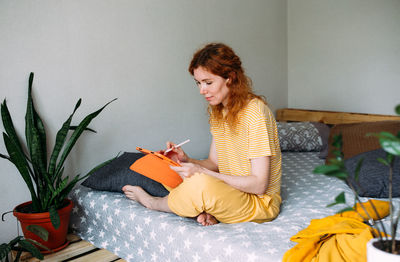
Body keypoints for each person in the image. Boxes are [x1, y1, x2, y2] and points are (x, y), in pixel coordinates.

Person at [123, 43, 282, 226]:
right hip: (231, 192)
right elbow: (214, 163)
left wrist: (202, 172)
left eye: (208, 83)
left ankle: (153, 202)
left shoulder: (255, 113)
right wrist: (187, 160)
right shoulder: (219, 111)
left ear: (230, 78)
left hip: (259, 203)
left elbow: (259, 185)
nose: (202, 90)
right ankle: (209, 208)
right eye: (198, 83)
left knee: (200, 185)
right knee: (173, 170)